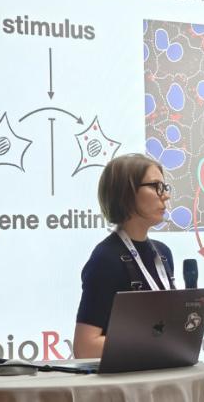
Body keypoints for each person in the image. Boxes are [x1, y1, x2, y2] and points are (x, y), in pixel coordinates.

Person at [74, 153, 175, 358]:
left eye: (164, 187)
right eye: (155, 186)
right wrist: (151, 338)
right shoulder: (106, 259)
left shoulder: (163, 254)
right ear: (126, 193)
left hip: (161, 373)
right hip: (127, 379)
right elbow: (85, 347)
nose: (165, 195)